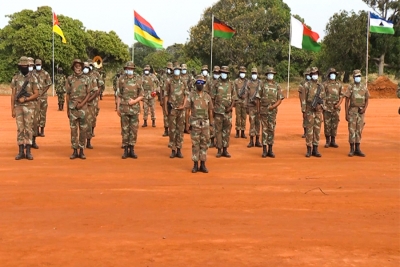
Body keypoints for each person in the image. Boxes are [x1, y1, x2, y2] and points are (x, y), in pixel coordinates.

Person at [10, 56, 39, 160]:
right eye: (22, 66)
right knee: (20, 129)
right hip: (18, 107)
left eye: (25, 66)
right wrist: (12, 109)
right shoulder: (16, 78)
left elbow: (36, 94)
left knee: (28, 128)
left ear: (28, 66)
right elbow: (13, 95)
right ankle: (21, 151)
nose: (23, 67)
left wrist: (26, 99)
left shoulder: (33, 78)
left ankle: (29, 151)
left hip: (29, 107)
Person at [185, 75, 214, 173]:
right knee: (195, 144)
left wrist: (211, 124)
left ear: (204, 84)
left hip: (205, 123)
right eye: (198, 83)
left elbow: (210, 111)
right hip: (195, 123)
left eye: (202, 83)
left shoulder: (207, 96)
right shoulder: (191, 95)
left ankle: (203, 164)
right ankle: (195, 164)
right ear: (195, 84)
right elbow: (187, 110)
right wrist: (187, 124)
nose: (200, 84)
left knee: (204, 144)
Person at [65, 59, 93, 159]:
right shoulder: (69, 79)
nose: (78, 68)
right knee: (73, 130)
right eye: (76, 66)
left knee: (83, 130)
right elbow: (67, 95)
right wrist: (68, 109)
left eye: (79, 66)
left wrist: (82, 104)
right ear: (73, 67)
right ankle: (74, 150)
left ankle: (81, 150)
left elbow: (89, 93)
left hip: (83, 108)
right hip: (72, 108)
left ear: (82, 67)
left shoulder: (86, 79)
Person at [117, 61, 144, 159]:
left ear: (133, 70)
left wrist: (134, 101)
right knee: (125, 129)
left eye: (131, 69)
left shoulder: (138, 80)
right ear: (126, 69)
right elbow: (119, 95)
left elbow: (141, 95)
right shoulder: (121, 80)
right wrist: (118, 107)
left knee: (133, 129)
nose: (130, 70)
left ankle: (132, 149)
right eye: (128, 69)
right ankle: (125, 149)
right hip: (124, 108)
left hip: (134, 108)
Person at [211, 66, 237, 158]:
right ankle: (219, 149)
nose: (224, 74)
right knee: (218, 131)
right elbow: (212, 98)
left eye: (225, 72)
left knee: (227, 131)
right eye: (222, 72)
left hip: (228, 112)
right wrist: (213, 109)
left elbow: (234, 97)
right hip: (218, 111)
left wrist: (230, 107)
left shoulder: (231, 84)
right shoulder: (216, 84)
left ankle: (225, 149)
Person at [164, 63, 188, 158]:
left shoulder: (183, 81)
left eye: (179, 70)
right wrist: (166, 109)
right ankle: (173, 149)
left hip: (181, 110)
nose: (177, 71)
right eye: (176, 70)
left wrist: (184, 105)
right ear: (173, 71)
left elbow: (186, 94)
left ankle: (179, 149)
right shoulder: (169, 81)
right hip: (172, 109)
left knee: (180, 130)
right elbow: (166, 95)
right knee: (172, 130)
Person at [259, 67, 284, 158]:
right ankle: (264, 150)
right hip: (264, 111)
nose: (270, 75)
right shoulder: (262, 85)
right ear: (266, 75)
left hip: (272, 112)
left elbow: (280, 99)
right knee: (264, 130)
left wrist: (273, 106)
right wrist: (259, 111)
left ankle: (270, 149)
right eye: (269, 74)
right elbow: (258, 98)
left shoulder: (277, 85)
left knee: (271, 129)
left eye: (272, 74)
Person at [344, 69, 369, 157]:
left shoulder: (364, 87)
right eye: (356, 76)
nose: (358, 78)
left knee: (359, 130)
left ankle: (358, 148)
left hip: (361, 112)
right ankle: (352, 149)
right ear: (353, 77)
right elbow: (346, 101)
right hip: (352, 111)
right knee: (352, 130)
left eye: (359, 76)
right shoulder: (351, 87)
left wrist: (364, 109)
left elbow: (367, 100)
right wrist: (346, 113)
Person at [301, 67, 325, 158]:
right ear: (311, 75)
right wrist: (304, 111)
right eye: (313, 74)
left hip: (318, 112)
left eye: (316, 73)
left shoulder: (321, 86)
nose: (315, 75)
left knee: (317, 130)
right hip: (309, 111)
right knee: (309, 130)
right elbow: (303, 99)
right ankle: (309, 149)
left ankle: (316, 149)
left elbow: (324, 99)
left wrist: (320, 106)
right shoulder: (306, 85)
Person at [323, 68, 344, 148]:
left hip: (336, 108)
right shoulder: (325, 84)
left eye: (334, 73)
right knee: (327, 124)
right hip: (327, 108)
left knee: (335, 124)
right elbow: (322, 96)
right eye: (331, 73)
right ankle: (327, 141)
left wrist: (338, 104)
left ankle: (333, 140)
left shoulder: (339, 85)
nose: (333, 75)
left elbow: (342, 96)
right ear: (329, 75)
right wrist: (324, 106)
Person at [33, 59, 52, 138]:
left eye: (39, 64)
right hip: (35, 97)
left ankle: (42, 130)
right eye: (37, 65)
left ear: (41, 64)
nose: (38, 66)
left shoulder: (45, 73)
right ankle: (36, 130)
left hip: (43, 97)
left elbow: (48, 84)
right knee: (36, 114)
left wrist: (42, 93)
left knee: (43, 114)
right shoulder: (32, 73)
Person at [85, 62, 102, 149]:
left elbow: (97, 90)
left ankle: (88, 141)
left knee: (90, 120)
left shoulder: (94, 76)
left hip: (91, 102)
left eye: (87, 67)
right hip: (81, 104)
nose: (86, 68)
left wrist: (89, 99)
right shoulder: (78, 77)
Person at [245, 67, 262, 148]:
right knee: (252, 123)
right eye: (253, 73)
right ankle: (251, 141)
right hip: (251, 106)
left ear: (257, 74)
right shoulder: (248, 83)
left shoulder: (261, 83)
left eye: (255, 73)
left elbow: (262, 94)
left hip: (259, 107)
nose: (254, 75)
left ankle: (257, 140)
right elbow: (246, 95)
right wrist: (246, 107)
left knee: (258, 123)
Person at [27, 57, 41, 149]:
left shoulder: (36, 76)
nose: (30, 67)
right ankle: (26, 142)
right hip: (25, 103)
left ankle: (33, 141)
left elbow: (38, 90)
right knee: (26, 124)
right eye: (29, 65)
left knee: (35, 122)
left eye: (32, 65)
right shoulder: (21, 76)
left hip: (35, 103)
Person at [159, 62, 173, 137]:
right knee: (165, 114)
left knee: (172, 114)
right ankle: (166, 130)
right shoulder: (163, 76)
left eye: (170, 69)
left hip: (172, 98)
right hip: (165, 98)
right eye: (168, 68)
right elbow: (161, 88)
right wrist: (161, 99)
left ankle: (172, 130)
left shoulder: (174, 76)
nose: (169, 70)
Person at [234, 66, 248, 139]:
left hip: (245, 102)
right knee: (238, 117)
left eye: (244, 72)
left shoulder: (247, 82)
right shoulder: (236, 81)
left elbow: (249, 91)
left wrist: (245, 96)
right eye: (241, 72)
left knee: (244, 117)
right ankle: (237, 132)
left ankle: (243, 132)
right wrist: (237, 98)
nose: (242, 74)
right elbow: (234, 91)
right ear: (239, 73)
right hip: (238, 101)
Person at [299, 68, 311, 138]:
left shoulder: (315, 82)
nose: (308, 76)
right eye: (307, 75)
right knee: (305, 117)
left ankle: (311, 132)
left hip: (312, 103)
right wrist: (302, 104)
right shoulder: (302, 83)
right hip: (305, 103)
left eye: (309, 74)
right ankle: (305, 132)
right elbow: (300, 94)